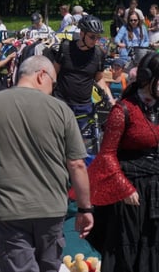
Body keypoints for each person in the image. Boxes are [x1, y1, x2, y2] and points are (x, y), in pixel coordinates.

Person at [0, 55, 93, 272]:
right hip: (51, 209)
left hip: (8, 209)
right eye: (53, 83)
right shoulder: (61, 110)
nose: (53, 89)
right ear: (41, 75)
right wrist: (85, 208)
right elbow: (77, 164)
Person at [86, 51, 159, 270]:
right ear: (148, 79)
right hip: (132, 191)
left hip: (155, 189)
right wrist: (124, 188)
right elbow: (107, 154)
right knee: (128, 248)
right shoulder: (123, 110)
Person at [48, 15, 115, 113]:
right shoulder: (66, 47)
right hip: (61, 102)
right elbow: (54, 72)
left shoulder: (99, 54)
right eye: (92, 37)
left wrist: (110, 99)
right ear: (82, 34)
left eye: (98, 37)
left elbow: (99, 79)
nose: (95, 40)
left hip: (83, 106)